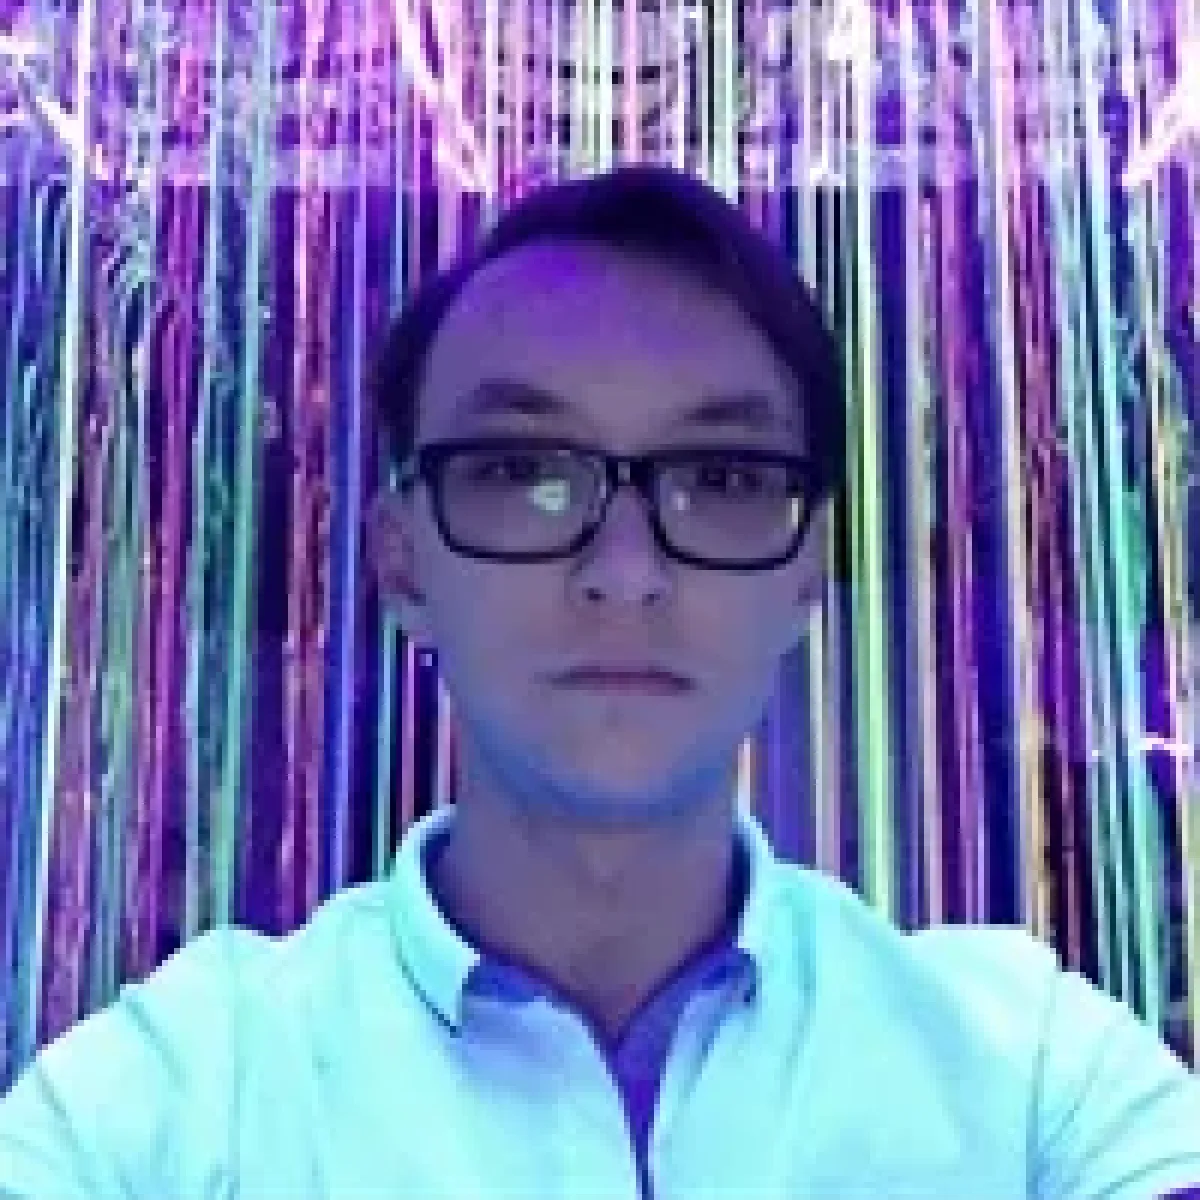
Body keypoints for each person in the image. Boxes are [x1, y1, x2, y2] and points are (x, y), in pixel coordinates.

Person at [2, 163, 1198, 1199]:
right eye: (523, 470)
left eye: (723, 479)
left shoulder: (1033, 1075)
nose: (625, 575)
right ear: (401, 563)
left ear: (809, 573)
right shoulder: (174, 1097)